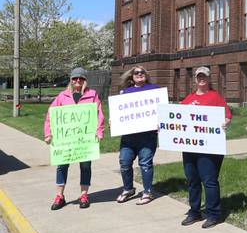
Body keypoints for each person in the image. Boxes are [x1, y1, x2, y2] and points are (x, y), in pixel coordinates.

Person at [44, 67, 104, 210]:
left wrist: (99, 132)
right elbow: (50, 116)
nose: (78, 81)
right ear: (71, 80)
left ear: (85, 80)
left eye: (81, 78)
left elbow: (99, 115)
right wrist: (48, 133)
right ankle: (60, 196)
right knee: (62, 166)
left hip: (85, 140)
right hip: (65, 141)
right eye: (75, 78)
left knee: (85, 166)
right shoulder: (62, 96)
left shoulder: (92, 95)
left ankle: (84, 194)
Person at [180, 66, 231, 229]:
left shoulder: (215, 97)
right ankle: (195, 211)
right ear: (195, 79)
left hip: (209, 148)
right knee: (192, 180)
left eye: (204, 76)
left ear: (209, 79)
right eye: (199, 76)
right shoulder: (188, 99)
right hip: (190, 148)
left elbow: (227, 116)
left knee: (209, 180)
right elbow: (177, 119)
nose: (201, 79)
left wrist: (226, 122)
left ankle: (213, 214)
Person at [116, 66, 161, 205]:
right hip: (129, 136)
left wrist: (161, 122)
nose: (139, 74)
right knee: (124, 162)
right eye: (136, 73)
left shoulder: (154, 90)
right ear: (131, 76)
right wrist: (115, 120)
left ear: (146, 75)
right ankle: (128, 189)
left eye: (142, 72)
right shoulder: (125, 93)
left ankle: (147, 192)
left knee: (145, 163)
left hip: (147, 135)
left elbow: (162, 109)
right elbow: (120, 112)